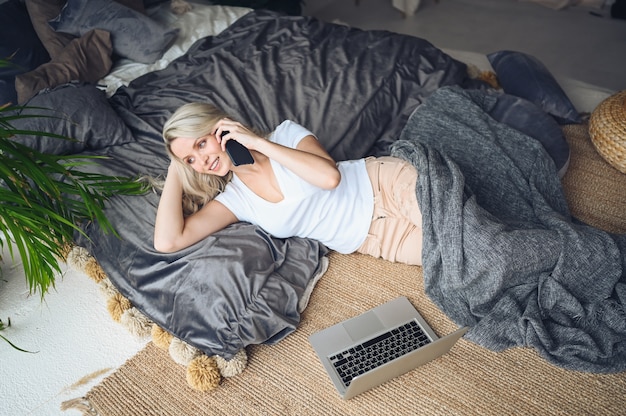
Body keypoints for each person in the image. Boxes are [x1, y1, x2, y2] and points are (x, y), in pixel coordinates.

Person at [154, 102, 424, 265]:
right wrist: (175, 166)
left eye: (201, 143)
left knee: (455, 226)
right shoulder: (235, 201)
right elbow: (168, 241)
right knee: (455, 257)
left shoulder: (284, 134)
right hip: (378, 241)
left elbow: (329, 178)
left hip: (384, 185)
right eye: (191, 160)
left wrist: (259, 143)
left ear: (220, 128)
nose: (202, 160)